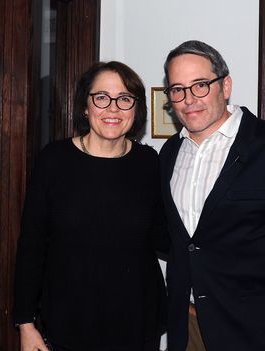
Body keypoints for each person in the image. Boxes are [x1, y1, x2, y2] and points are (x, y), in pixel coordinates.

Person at [159, 40, 265, 351]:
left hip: (258, 333)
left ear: (225, 86)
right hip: (189, 327)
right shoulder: (170, 153)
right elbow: (177, 240)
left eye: (200, 85)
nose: (188, 99)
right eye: (177, 89)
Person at [14, 61, 168, 351]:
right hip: (67, 326)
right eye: (101, 98)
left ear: (136, 110)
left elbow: (163, 235)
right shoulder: (54, 161)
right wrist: (25, 323)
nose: (113, 109)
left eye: (124, 99)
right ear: (86, 107)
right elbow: (31, 246)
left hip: (137, 326)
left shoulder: (149, 163)